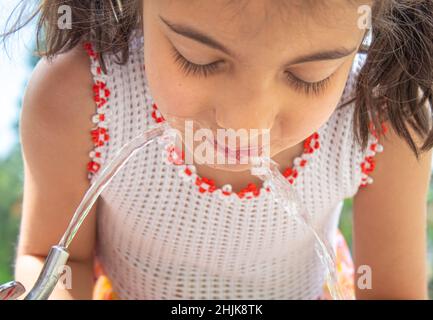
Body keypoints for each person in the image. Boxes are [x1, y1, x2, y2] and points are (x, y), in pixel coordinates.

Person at [3, 0, 433, 299]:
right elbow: (51, 258)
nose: (244, 125)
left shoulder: (384, 117)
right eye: (198, 59)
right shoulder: (81, 95)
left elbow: (389, 292)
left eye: (309, 75)